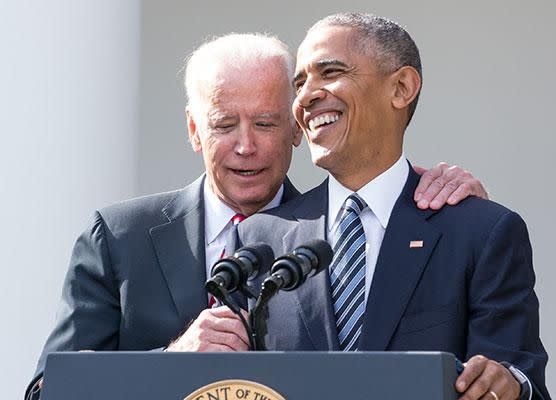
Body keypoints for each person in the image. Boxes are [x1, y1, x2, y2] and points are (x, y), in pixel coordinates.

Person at [25, 33, 488, 399]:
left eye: (266, 123)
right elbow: (47, 390)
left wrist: (437, 200)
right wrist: (170, 359)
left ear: (297, 128)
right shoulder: (120, 236)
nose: (246, 146)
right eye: (224, 125)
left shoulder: (343, 236)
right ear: (193, 129)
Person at [238, 13, 550, 400]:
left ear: (401, 87)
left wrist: (509, 384)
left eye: (330, 72)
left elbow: (523, 377)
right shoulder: (260, 238)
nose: (305, 96)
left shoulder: (480, 232)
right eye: (299, 83)